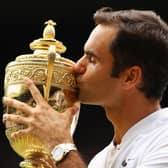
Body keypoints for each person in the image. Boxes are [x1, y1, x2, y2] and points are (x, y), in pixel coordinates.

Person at [3, 6, 168, 168]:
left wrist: (60, 145)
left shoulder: (164, 139)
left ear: (130, 77)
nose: (77, 67)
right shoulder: (100, 160)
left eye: (92, 59)